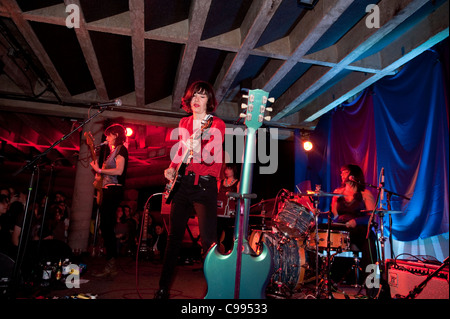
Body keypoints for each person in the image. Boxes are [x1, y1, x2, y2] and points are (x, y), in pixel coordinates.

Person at [154, 81, 226, 299]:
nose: (197, 99)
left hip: (204, 185)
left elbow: (215, 158)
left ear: (209, 101)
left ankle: (218, 291)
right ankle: (163, 290)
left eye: (202, 96)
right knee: (173, 238)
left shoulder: (217, 124)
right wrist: (171, 169)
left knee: (208, 241)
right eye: (194, 95)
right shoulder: (184, 122)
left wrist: (199, 150)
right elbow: (179, 153)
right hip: (183, 185)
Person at [331, 164, 378, 296]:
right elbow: (334, 216)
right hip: (343, 231)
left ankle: (372, 289)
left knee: (369, 243)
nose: (342, 174)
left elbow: (372, 217)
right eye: (341, 172)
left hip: (361, 231)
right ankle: (330, 281)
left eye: (345, 172)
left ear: (354, 175)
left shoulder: (364, 194)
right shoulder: (337, 192)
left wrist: (356, 221)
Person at [90, 123, 129, 278]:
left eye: (108, 135)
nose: (106, 138)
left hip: (114, 190)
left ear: (116, 135)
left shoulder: (121, 150)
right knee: (105, 226)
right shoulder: (112, 152)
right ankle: (110, 261)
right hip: (108, 189)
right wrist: (99, 177)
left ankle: (111, 261)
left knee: (107, 225)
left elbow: (119, 171)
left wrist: (100, 170)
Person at [216, 163, 240, 254]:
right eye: (225, 169)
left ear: (234, 170)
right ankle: (215, 256)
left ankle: (228, 255)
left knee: (229, 238)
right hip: (218, 214)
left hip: (230, 216)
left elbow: (239, 198)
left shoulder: (238, 183)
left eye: (229, 169)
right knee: (216, 237)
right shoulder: (220, 182)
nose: (226, 171)